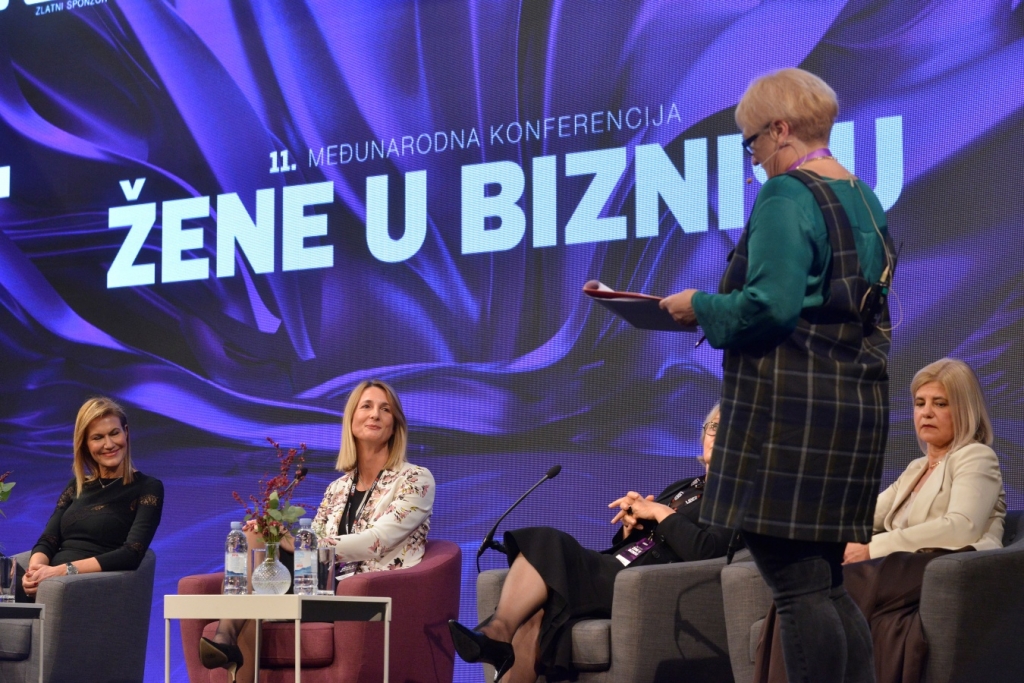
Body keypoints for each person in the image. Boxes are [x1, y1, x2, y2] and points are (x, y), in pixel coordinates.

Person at [660, 67, 895, 683]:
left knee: (796, 588)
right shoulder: (864, 196)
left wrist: (700, 306)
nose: (755, 160)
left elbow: (771, 306)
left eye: (752, 143)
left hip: (788, 416)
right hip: (851, 410)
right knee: (823, 583)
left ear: (781, 129)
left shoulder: (787, 195)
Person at [753, 358, 1007, 683]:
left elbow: (961, 528)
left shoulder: (976, 456)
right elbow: (863, 513)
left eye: (940, 403)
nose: (926, 412)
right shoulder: (917, 468)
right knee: (800, 585)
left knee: (812, 590)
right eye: (920, 403)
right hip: (898, 565)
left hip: (943, 565)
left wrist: (871, 548)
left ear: (965, 410)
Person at [449, 404, 735, 683]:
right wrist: (632, 525)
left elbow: (707, 550)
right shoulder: (686, 486)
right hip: (617, 567)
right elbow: (646, 542)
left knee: (546, 539)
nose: (718, 435)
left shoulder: (738, 498)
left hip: (643, 584)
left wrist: (660, 512)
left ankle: (497, 632)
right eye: (713, 427)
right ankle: (499, 638)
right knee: (535, 613)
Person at [200, 379, 434, 683]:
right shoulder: (337, 488)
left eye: (385, 409)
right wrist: (275, 538)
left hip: (371, 592)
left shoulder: (415, 479)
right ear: (351, 420)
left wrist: (297, 543)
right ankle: (226, 638)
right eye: (366, 406)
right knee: (255, 539)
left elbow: (376, 541)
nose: (375, 414)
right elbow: (310, 550)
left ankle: (226, 638)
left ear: (395, 425)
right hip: (323, 586)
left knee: (265, 571)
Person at [18, 397, 164, 601]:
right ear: (85, 445)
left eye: (114, 433)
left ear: (126, 432)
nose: (109, 444)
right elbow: (48, 539)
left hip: (89, 590)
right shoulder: (76, 486)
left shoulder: (148, 487)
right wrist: (35, 572)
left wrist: (61, 571)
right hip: (49, 584)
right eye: (98, 437)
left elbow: (132, 553)